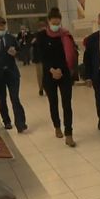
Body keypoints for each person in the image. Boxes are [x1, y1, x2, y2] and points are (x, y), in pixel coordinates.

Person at [36, 8, 77, 147]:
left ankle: (69, 133)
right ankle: (57, 126)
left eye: (58, 23)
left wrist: (62, 69)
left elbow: (71, 54)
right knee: (53, 103)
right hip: (49, 75)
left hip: (64, 74)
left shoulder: (65, 35)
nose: (56, 25)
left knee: (67, 104)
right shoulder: (41, 36)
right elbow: (40, 56)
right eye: (53, 23)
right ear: (48, 21)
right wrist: (52, 70)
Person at [32, 21, 47, 95]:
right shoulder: (36, 35)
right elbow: (33, 45)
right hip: (39, 58)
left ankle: (43, 88)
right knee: (41, 74)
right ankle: (41, 88)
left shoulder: (47, 35)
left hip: (43, 58)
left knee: (41, 74)